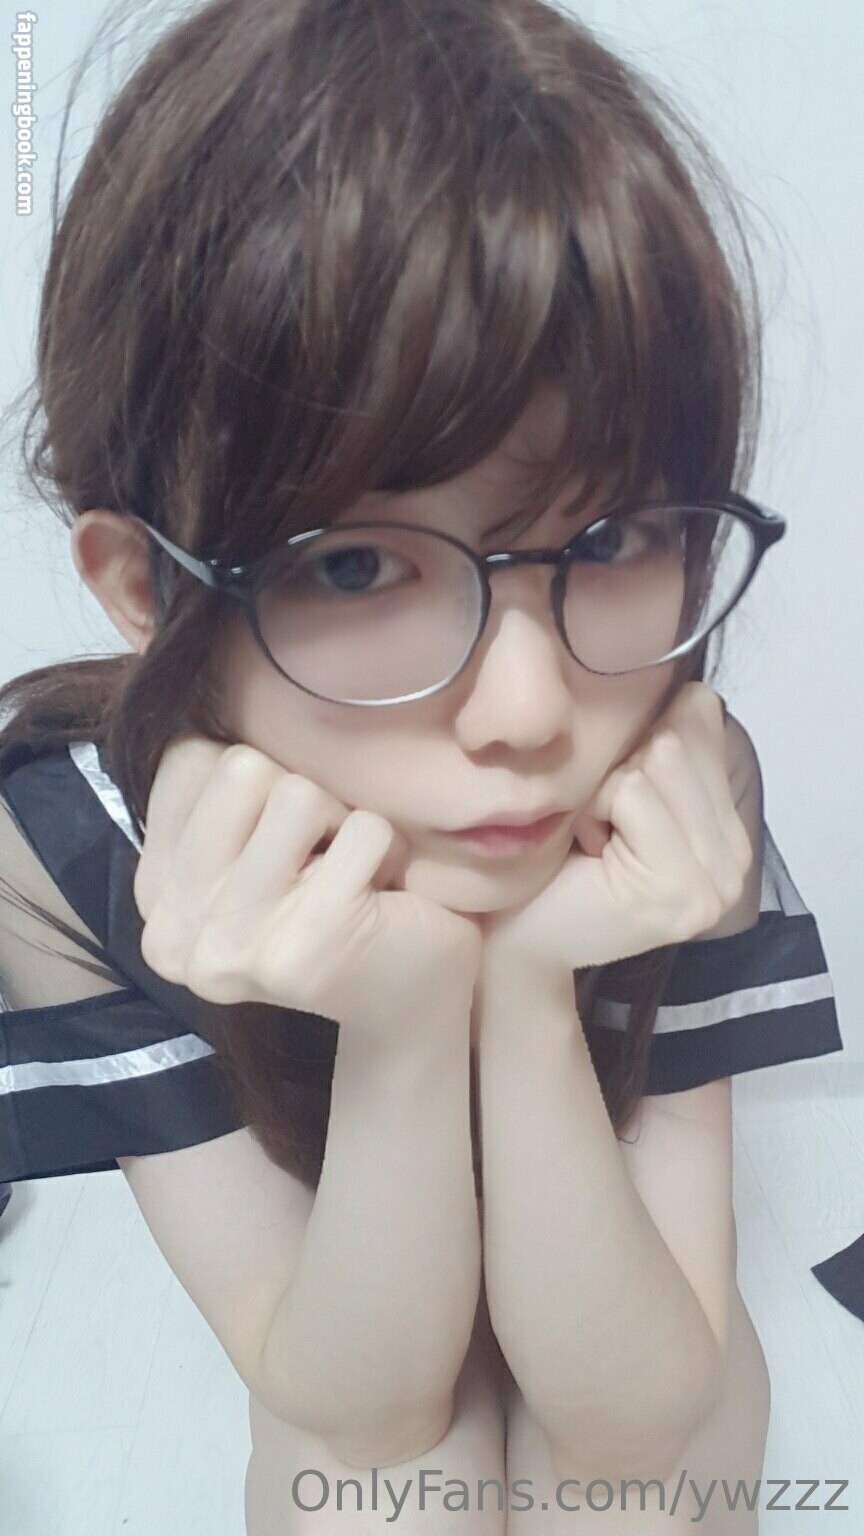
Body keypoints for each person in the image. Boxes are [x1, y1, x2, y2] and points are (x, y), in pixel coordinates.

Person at [0, 0, 848, 1530]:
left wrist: (526, 994)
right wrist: (398, 1028)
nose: (529, 711)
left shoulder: (670, 776)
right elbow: (363, 1403)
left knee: (639, 1496)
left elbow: (637, 1412)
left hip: (616, 1292)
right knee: (374, 1494)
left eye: (619, 538)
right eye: (353, 566)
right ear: (141, 586)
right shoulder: (67, 844)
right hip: (354, 1301)